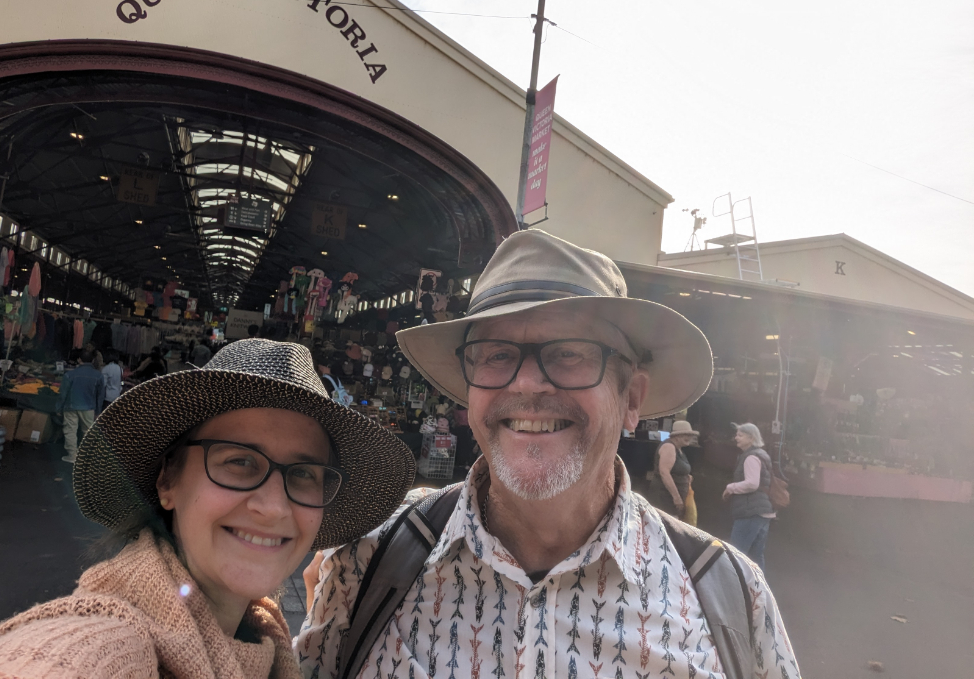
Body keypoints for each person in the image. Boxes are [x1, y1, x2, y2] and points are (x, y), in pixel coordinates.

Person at [297, 229, 799, 678]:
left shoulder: (732, 598)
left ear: (631, 400)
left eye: (570, 353)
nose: (527, 383)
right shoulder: (367, 560)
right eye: (495, 355)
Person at [0, 339, 415, 677]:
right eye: (239, 462)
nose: (274, 507)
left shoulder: (261, 639)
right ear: (168, 481)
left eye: (303, 474)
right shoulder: (93, 646)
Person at [723, 422, 775, 570]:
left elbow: (752, 484)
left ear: (751, 438)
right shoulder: (761, 454)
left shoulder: (751, 457)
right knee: (756, 555)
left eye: (740, 435)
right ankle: (758, 590)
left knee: (737, 553)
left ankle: (736, 587)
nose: (736, 438)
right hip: (763, 512)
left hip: (750, 512)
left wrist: (730, 487)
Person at [58, 349, 105, 463]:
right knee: (88, 432)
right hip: (89, 407)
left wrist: (59, 407)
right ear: (93, 360)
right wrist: (98, 411)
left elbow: (63, 393)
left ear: (79, 360)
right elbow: (100, 395)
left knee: (70, 430)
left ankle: (72, 455)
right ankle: (88, 456)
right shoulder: (98, 376)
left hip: (71, 406)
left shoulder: (70, 375)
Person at [647, 419, 700, 518]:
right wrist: (676, 498)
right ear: (676, 435)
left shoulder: (678, 449)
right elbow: (664, 472)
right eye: (685, 434)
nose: (689, 437)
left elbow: (676, 469)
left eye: (690, 435)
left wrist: (686, 476)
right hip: (665, 499)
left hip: (671, 500)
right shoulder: (669, 446)